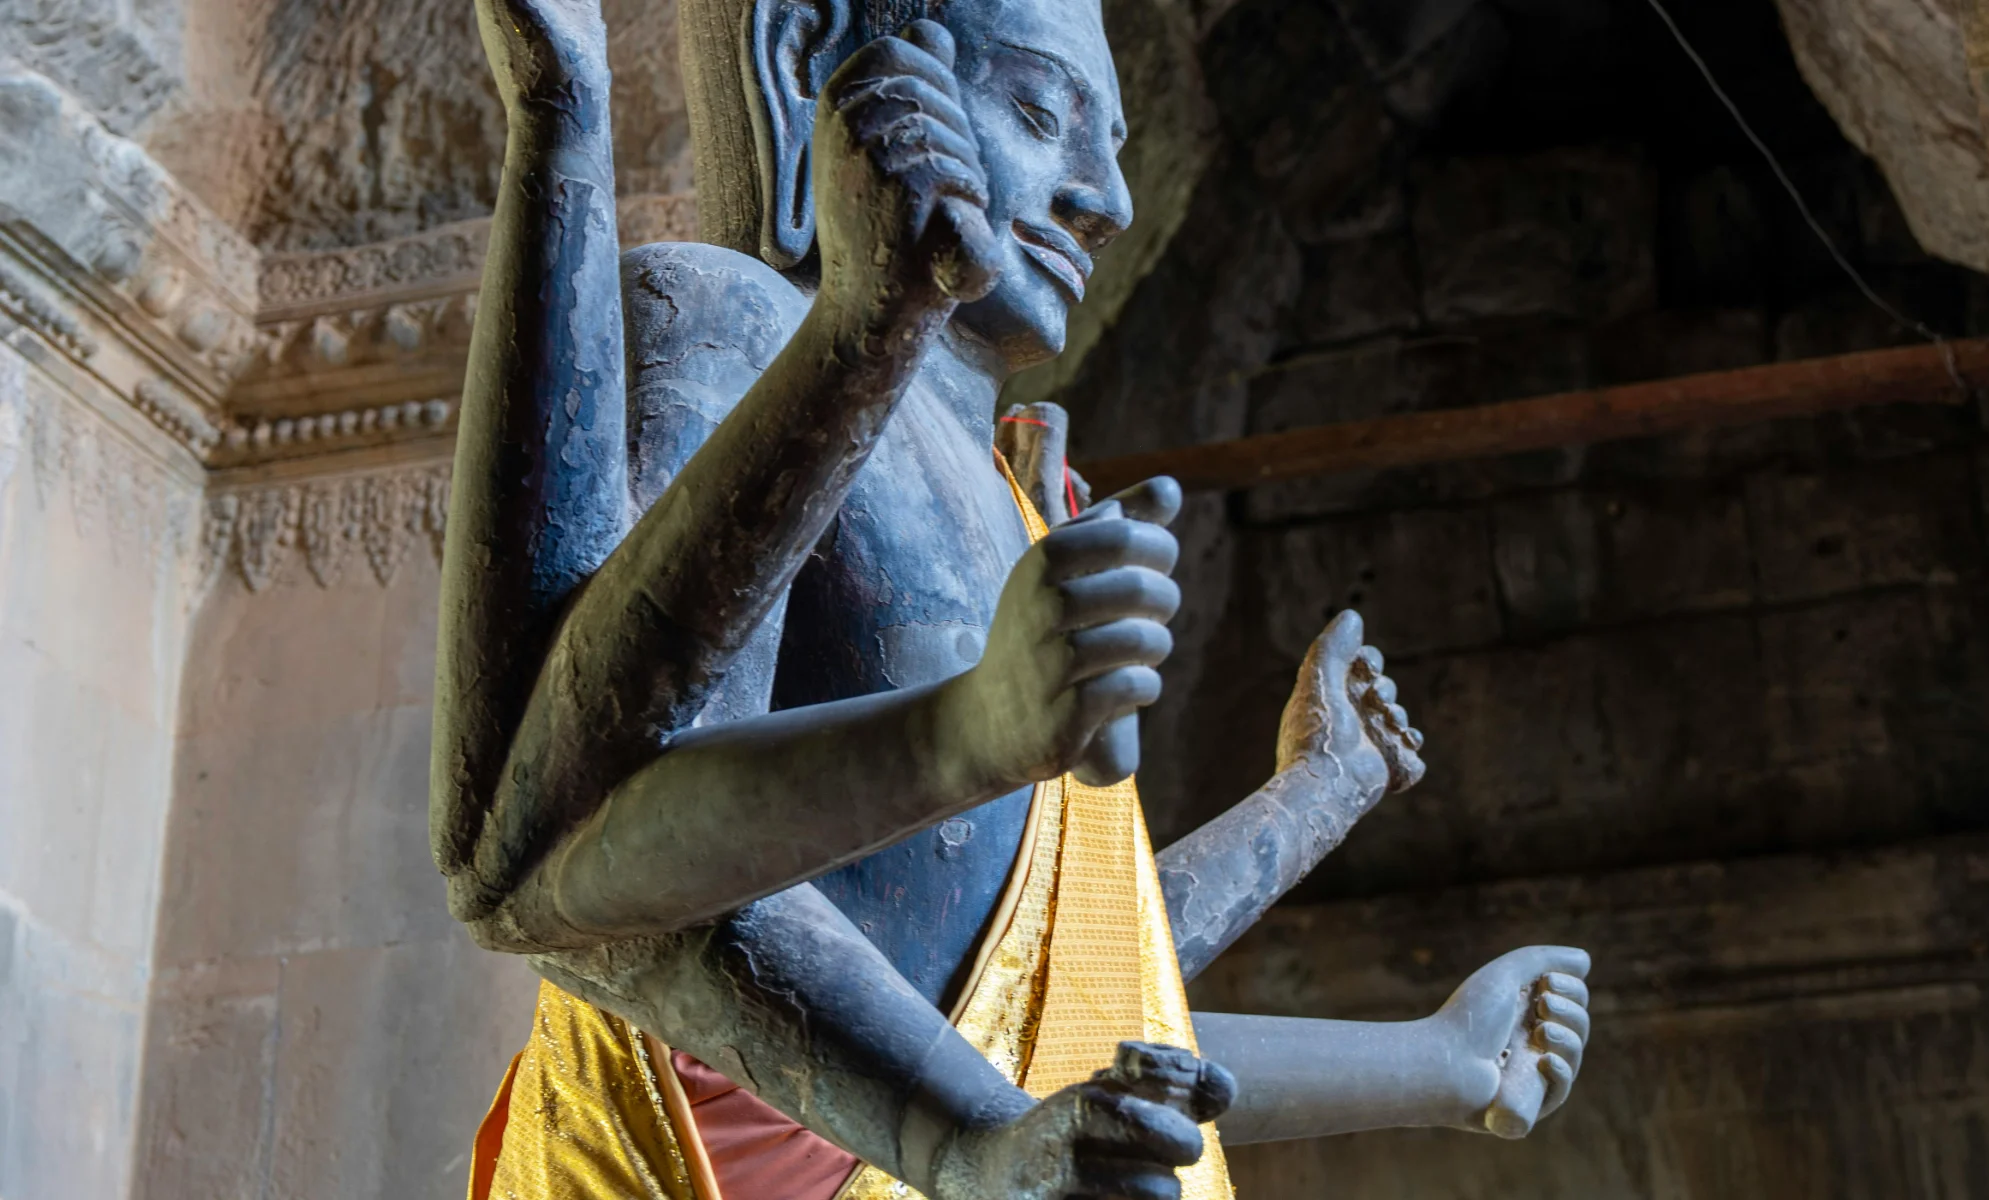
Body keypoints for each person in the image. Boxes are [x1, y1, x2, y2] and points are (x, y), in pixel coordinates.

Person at [433, 0, 1593, 1196]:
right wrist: (863, 329)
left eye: (1116, 146)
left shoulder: (1024, 505)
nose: (1108, 199)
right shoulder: (723, 322)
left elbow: (1057, 992)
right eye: (1042, 114)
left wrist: (1424, 1025)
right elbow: (565, 867)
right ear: (805, 60)